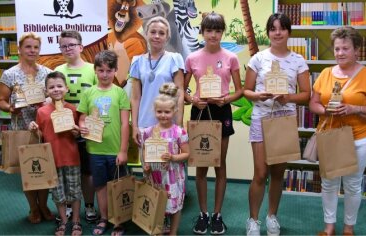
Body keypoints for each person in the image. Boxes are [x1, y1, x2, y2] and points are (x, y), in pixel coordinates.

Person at [309, 26, 366, 236]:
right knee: (329, 183)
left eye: (345, 48)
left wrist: (354, 108)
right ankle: (329, 227)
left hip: (357, 139)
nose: (340, 53)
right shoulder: (325, 73)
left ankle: (349, 228)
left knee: (352, 185)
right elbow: (313, 103)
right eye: (337, 48)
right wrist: (326, 111)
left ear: (357, 49)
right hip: (330, 137)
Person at [243, 13, 310, 236]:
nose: (277, 32)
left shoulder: (298, 61)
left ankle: (272, 216)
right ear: (268, 32)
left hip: (284, 120)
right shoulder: (258, 58)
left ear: (289, 32)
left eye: (282, 28)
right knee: (260, 173)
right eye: (273, 28)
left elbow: (307, 95)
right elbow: (247, 90)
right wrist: (258, 95)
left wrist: (288, 97)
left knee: (278, 173)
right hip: (261, 119)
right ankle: (253, 220)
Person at [184, 12, 243, 235]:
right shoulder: (192, 58)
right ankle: (203, 214)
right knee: (201, 165)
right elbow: (183, 88)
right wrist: (192, 99)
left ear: (222, 32)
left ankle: (217, 215)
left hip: (222, 110)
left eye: (218, 30)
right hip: (200, 111)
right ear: (203, 32)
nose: (213, 35)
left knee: (220, 165)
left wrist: (226, 99)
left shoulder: (231, 57)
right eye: (209, 30)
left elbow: (239, 91)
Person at [0, 32, 54, 224]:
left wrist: (48, 102)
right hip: (22, 128)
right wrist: (11, 108)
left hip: (43, 129)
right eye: (28, 47)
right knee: (29, 171)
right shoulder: (10, 74)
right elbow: (1, 101)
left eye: (36, 47)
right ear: (20, 50)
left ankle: (44, 205)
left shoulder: (46, 72)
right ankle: (33, 208)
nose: (32, 50)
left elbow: (54, 96)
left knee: (44, 169)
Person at [78, 50, 130, 236]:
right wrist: (82, 126)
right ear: (95, 71)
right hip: (95, 149)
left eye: (109, 70)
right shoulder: (88, 93)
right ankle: (104, 218)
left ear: (115, 71)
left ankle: (118, 220)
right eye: (101, 70)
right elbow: (82, 118)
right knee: (100, 185)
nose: (105, 74)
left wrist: (123, 150)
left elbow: (125, 124)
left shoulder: (120, 93)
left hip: (115, 150)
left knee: (118, 186)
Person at [28, 71, 82, 236]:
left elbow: (77, 135)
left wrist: (76, 132)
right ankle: (63, 222)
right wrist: (34, 129)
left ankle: (76, 222)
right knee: (58, 193)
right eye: (51, 87)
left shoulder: (72, 109)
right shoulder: (42, 112)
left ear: (66, 88)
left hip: (71, 158)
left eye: (59, 86)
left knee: (74, 191)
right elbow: (40, 137)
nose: (56, 89)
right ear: (46, 91)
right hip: (51, 159)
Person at [55, 29, 99, 224]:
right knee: (66, 170)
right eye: (63, 46)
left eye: (71, 45)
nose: (67, 49)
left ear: (81, 47)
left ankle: (89, 205)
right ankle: (69, 207)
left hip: (87, 128)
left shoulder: (93, 69)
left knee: (87, 171)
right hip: (64, 130)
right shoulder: (57, 71)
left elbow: (100, 96)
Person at [140, 82, 189, 235]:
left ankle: (173, 232)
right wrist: (146, 164)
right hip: (155, 176)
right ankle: (158, 230)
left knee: (174, 205)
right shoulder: (148, 132)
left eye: (167, 112)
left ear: (174, 111)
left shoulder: (179, 132)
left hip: (173, 176)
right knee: (157, 203)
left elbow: (187, 153)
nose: (163, 115)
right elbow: (145, 151)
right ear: (154, 111)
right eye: (159, 111)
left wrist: (174, 157)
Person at [130, 16, 185, 144]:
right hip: (145, 125)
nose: (157, 36)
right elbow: (135, 98)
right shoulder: (137, 62)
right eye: (153, 32)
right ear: (146, 34)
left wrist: (179, 125)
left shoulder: (174, 59)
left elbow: (179, 94)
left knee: (171, 163)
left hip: (169, 124)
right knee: (148, 164)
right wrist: (135, 126)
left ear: (167, 37)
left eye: (161, 33)